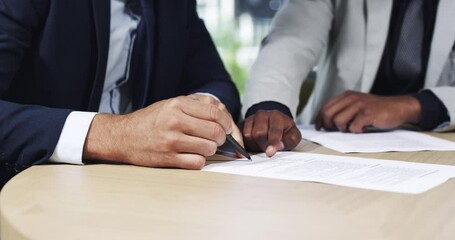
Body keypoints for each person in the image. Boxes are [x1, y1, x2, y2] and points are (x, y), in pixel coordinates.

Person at [0, 0, 242, 186]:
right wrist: (119, 135)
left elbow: (216, 81)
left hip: (141, 192)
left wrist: (200, 108)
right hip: (30, 190)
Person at [241, 0, 455, 157]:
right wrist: (269, 106)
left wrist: (415, 106)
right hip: (331, 144)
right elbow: (290, 42)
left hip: (436, 148)